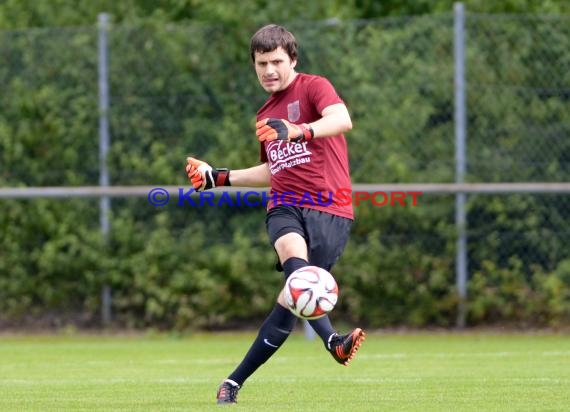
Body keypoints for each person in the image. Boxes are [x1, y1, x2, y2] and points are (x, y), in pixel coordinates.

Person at [185, 23, 365, 405]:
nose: (269, 70)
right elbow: (273, 170)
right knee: (294, 268)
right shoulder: (265, 113)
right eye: (261, 63)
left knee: (292, 300)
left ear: (292, 60)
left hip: (331, 208)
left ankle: (233, 381)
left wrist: (300, 131)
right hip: (284, 205)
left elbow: (341, 120)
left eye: (277, 62)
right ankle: (333, 339)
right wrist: (219, 177)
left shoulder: (315, 87)